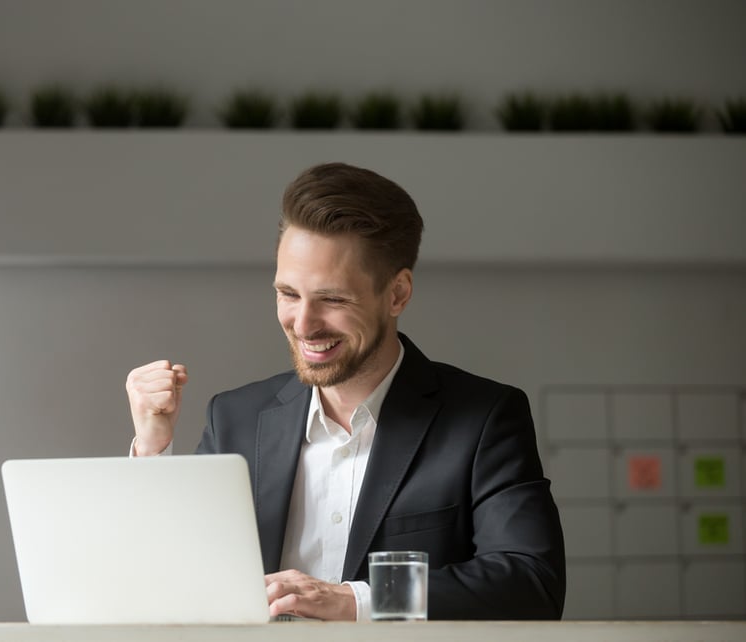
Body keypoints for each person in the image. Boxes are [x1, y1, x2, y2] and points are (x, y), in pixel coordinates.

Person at [125, 162, 565, 621]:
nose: (304, 323)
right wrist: (154, 452)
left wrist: (354, 601)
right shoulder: (234, 417)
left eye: (332, 299)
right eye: (288, 294)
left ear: (397, 294)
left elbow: (532, 582)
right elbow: (172, 577)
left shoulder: (485, 419)